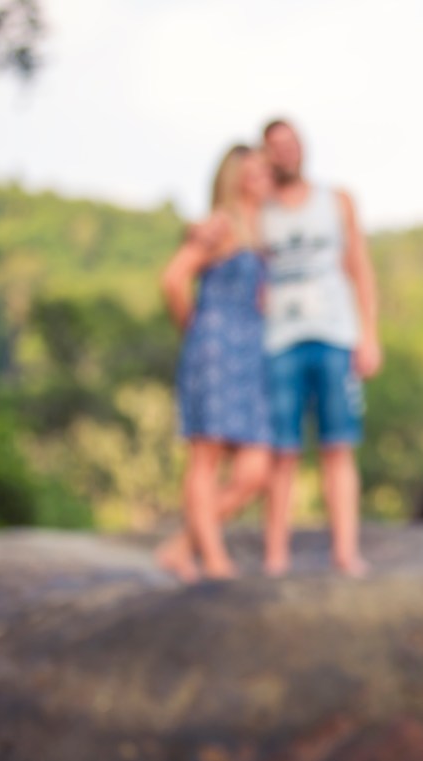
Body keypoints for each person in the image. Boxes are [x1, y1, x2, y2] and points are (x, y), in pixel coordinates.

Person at [258, 119, 381, 577]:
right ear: (265, 154)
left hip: (334, 335)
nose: (286, 152)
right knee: (282, 452)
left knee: (338, 446)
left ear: (302, 148)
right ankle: (275, 555)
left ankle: (345, 552)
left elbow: (359, 269)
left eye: (291, 143)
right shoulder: (259, 209)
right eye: (276, 147)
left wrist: (369, 334)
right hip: (278, 339)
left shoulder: (336, 201)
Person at [157, 144, 274, 580]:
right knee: (205, 456)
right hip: (216, 347)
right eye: (255, 171)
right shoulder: (221, 225)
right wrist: (196, 327)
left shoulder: (264, 229)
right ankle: (214, 557)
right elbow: (173, 279)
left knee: (255, 470)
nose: (264, 178)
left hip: (253, 353)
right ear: (237, 178)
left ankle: (180, 546)